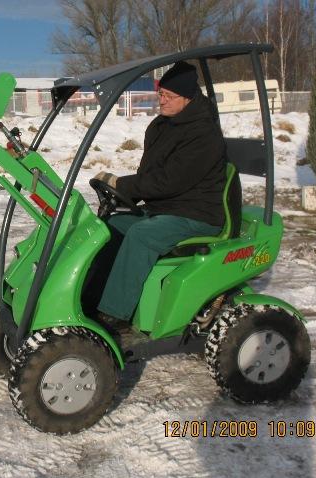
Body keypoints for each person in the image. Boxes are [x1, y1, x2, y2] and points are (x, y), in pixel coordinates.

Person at [93, 61, 226, 326]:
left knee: (142, 235)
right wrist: (125, 192)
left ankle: (114, 314)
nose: (161, 101)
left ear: (187, 97)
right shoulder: (164, 125)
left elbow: (169, 182)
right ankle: (92, 296)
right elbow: (150, 173)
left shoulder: (203, 135)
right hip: (167, 208)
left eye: (167, 96)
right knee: (109, 227)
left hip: (195, 214)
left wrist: (123, 185)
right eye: (160, 94)